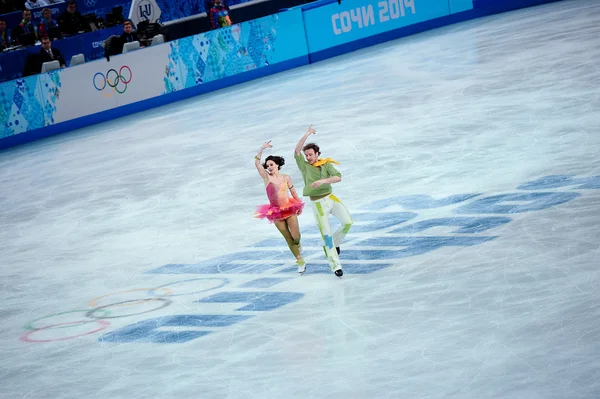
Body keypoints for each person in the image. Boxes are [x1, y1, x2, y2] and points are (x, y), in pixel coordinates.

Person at [294, 125, 353, 277]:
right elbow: (296, 151)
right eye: (306, 155)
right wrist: (306, 134)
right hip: (318, 203)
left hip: (331, 198)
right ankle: (335, 266)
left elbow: (338, 177)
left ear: (317, 154)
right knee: (326, 236)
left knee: (348, 222)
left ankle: (335, 243)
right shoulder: (304, 166)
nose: (308, 157)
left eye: (310, 155)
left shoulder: (326, 164)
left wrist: (322, 182)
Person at [254, 140, 307, 274]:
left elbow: (293, 191)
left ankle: (299, 244)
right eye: (267, 165)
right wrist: (262, 148)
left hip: (289, 208)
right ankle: (300, 260)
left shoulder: (286, 177)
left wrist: (298, 203)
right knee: (288, 238)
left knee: (296, 237)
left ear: (277, 164)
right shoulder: (267, 177)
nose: (269, 167)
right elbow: (256, 164)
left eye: (271, 164)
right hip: (275, 212)